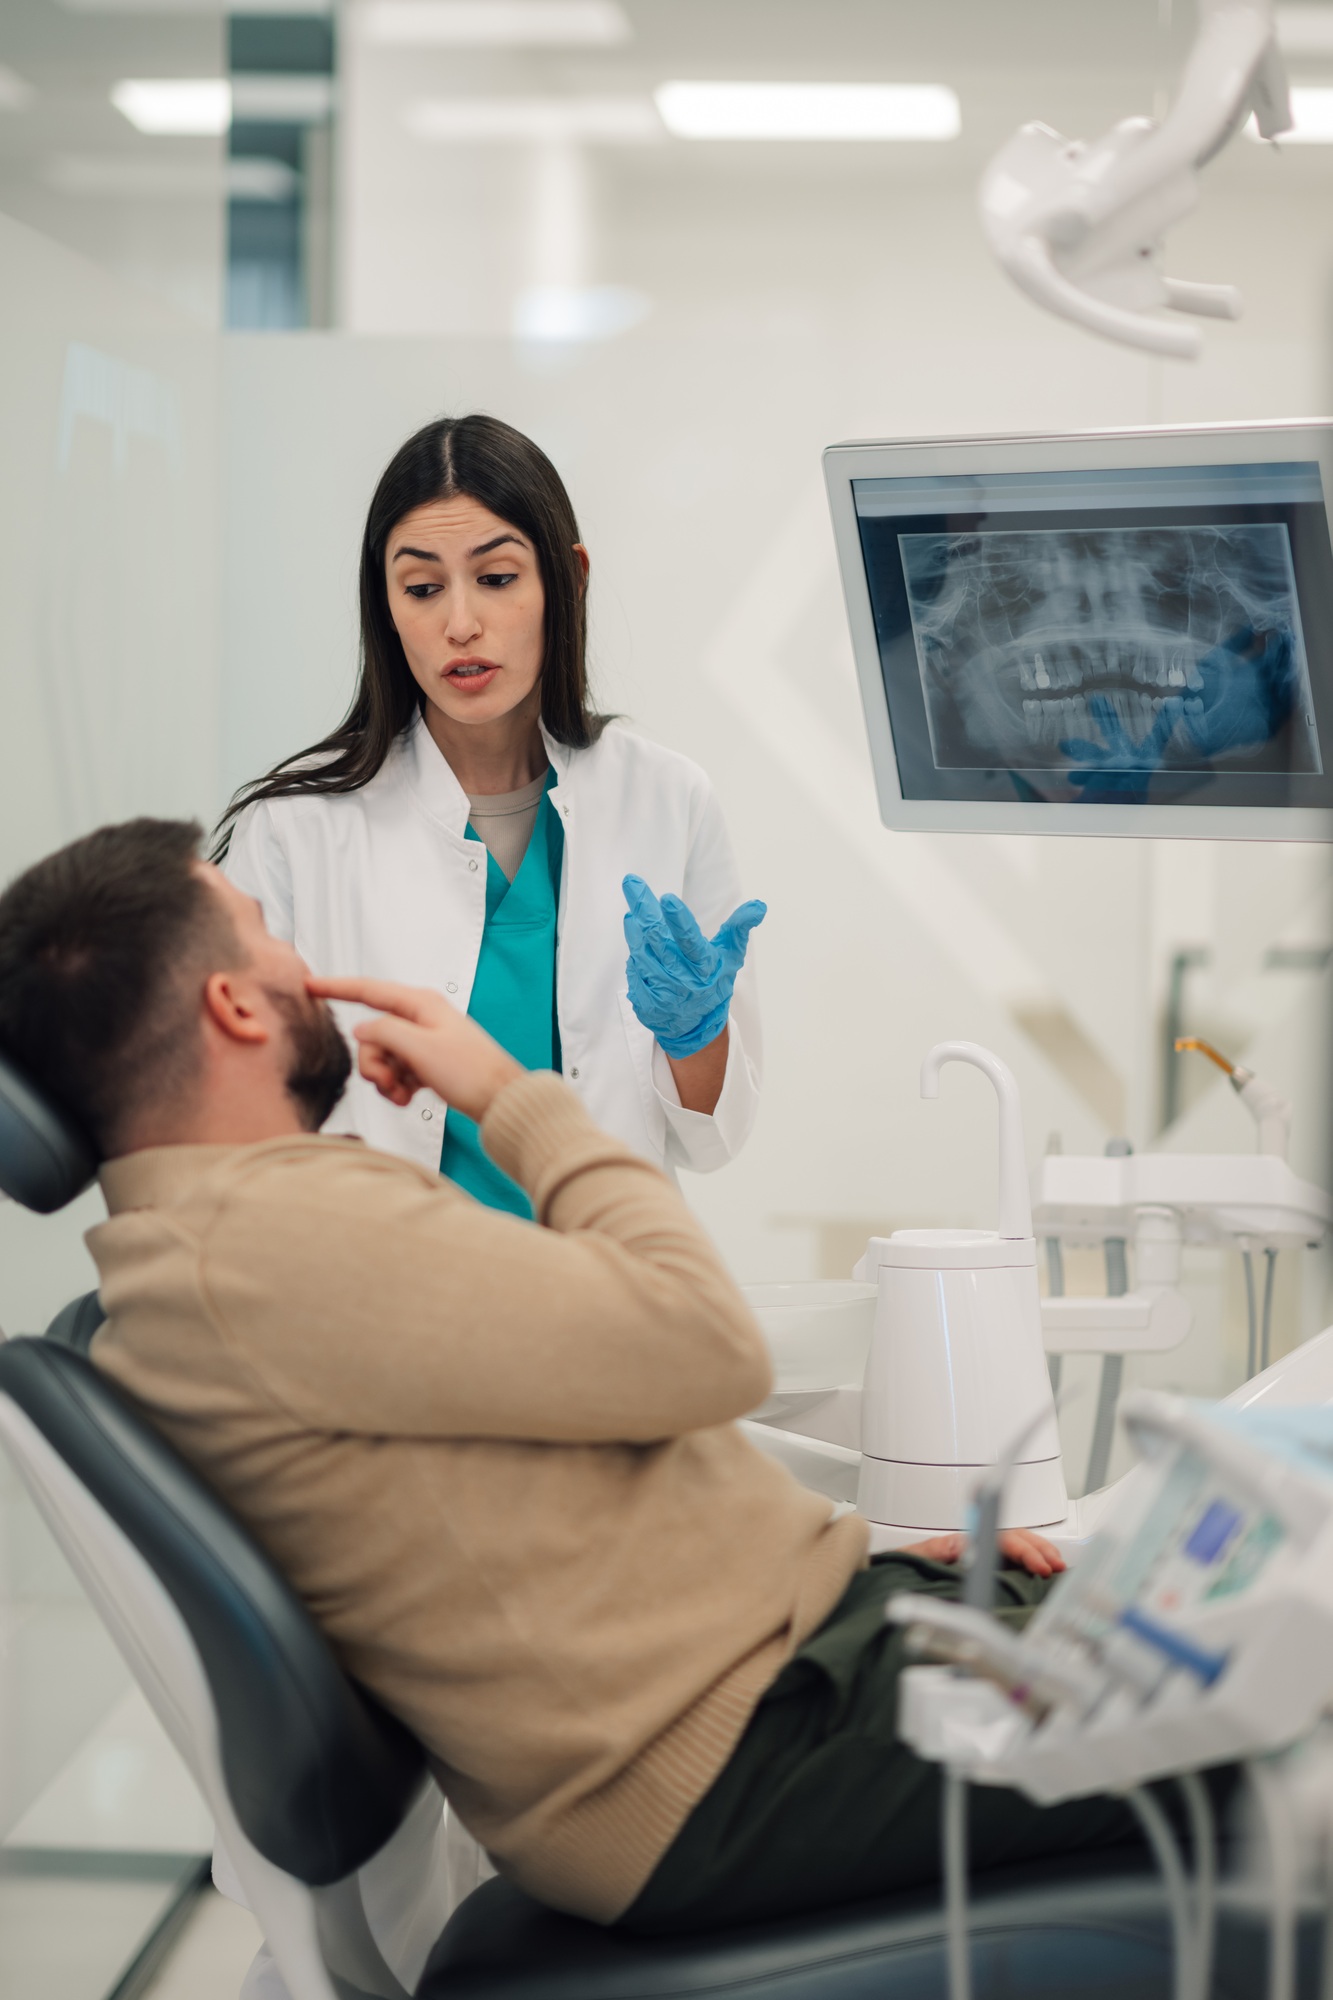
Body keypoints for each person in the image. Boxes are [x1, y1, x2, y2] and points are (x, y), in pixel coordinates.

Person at [0, 818, 1159, 1938]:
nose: (301, 958)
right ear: (235, 1004)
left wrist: (859, 1562)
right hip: (740, 1760)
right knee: (1272, 1678)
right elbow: (708, 1342)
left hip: (763, 1693)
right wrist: (508, 1094)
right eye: (264, 931)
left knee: (1209, 1604)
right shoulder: (274, 1240)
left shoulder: (188, 1252)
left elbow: (548, 1490)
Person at [215, 414, 764, 1218]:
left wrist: (695, 1036)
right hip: (389, 1295)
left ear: (566, 579)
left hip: (600, 1289)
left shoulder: (666, 799)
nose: (459, 623)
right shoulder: (296, 829)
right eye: (422, 587)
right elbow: (230, 1115)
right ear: (386, 603)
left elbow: (714, 1139)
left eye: (497, 578)